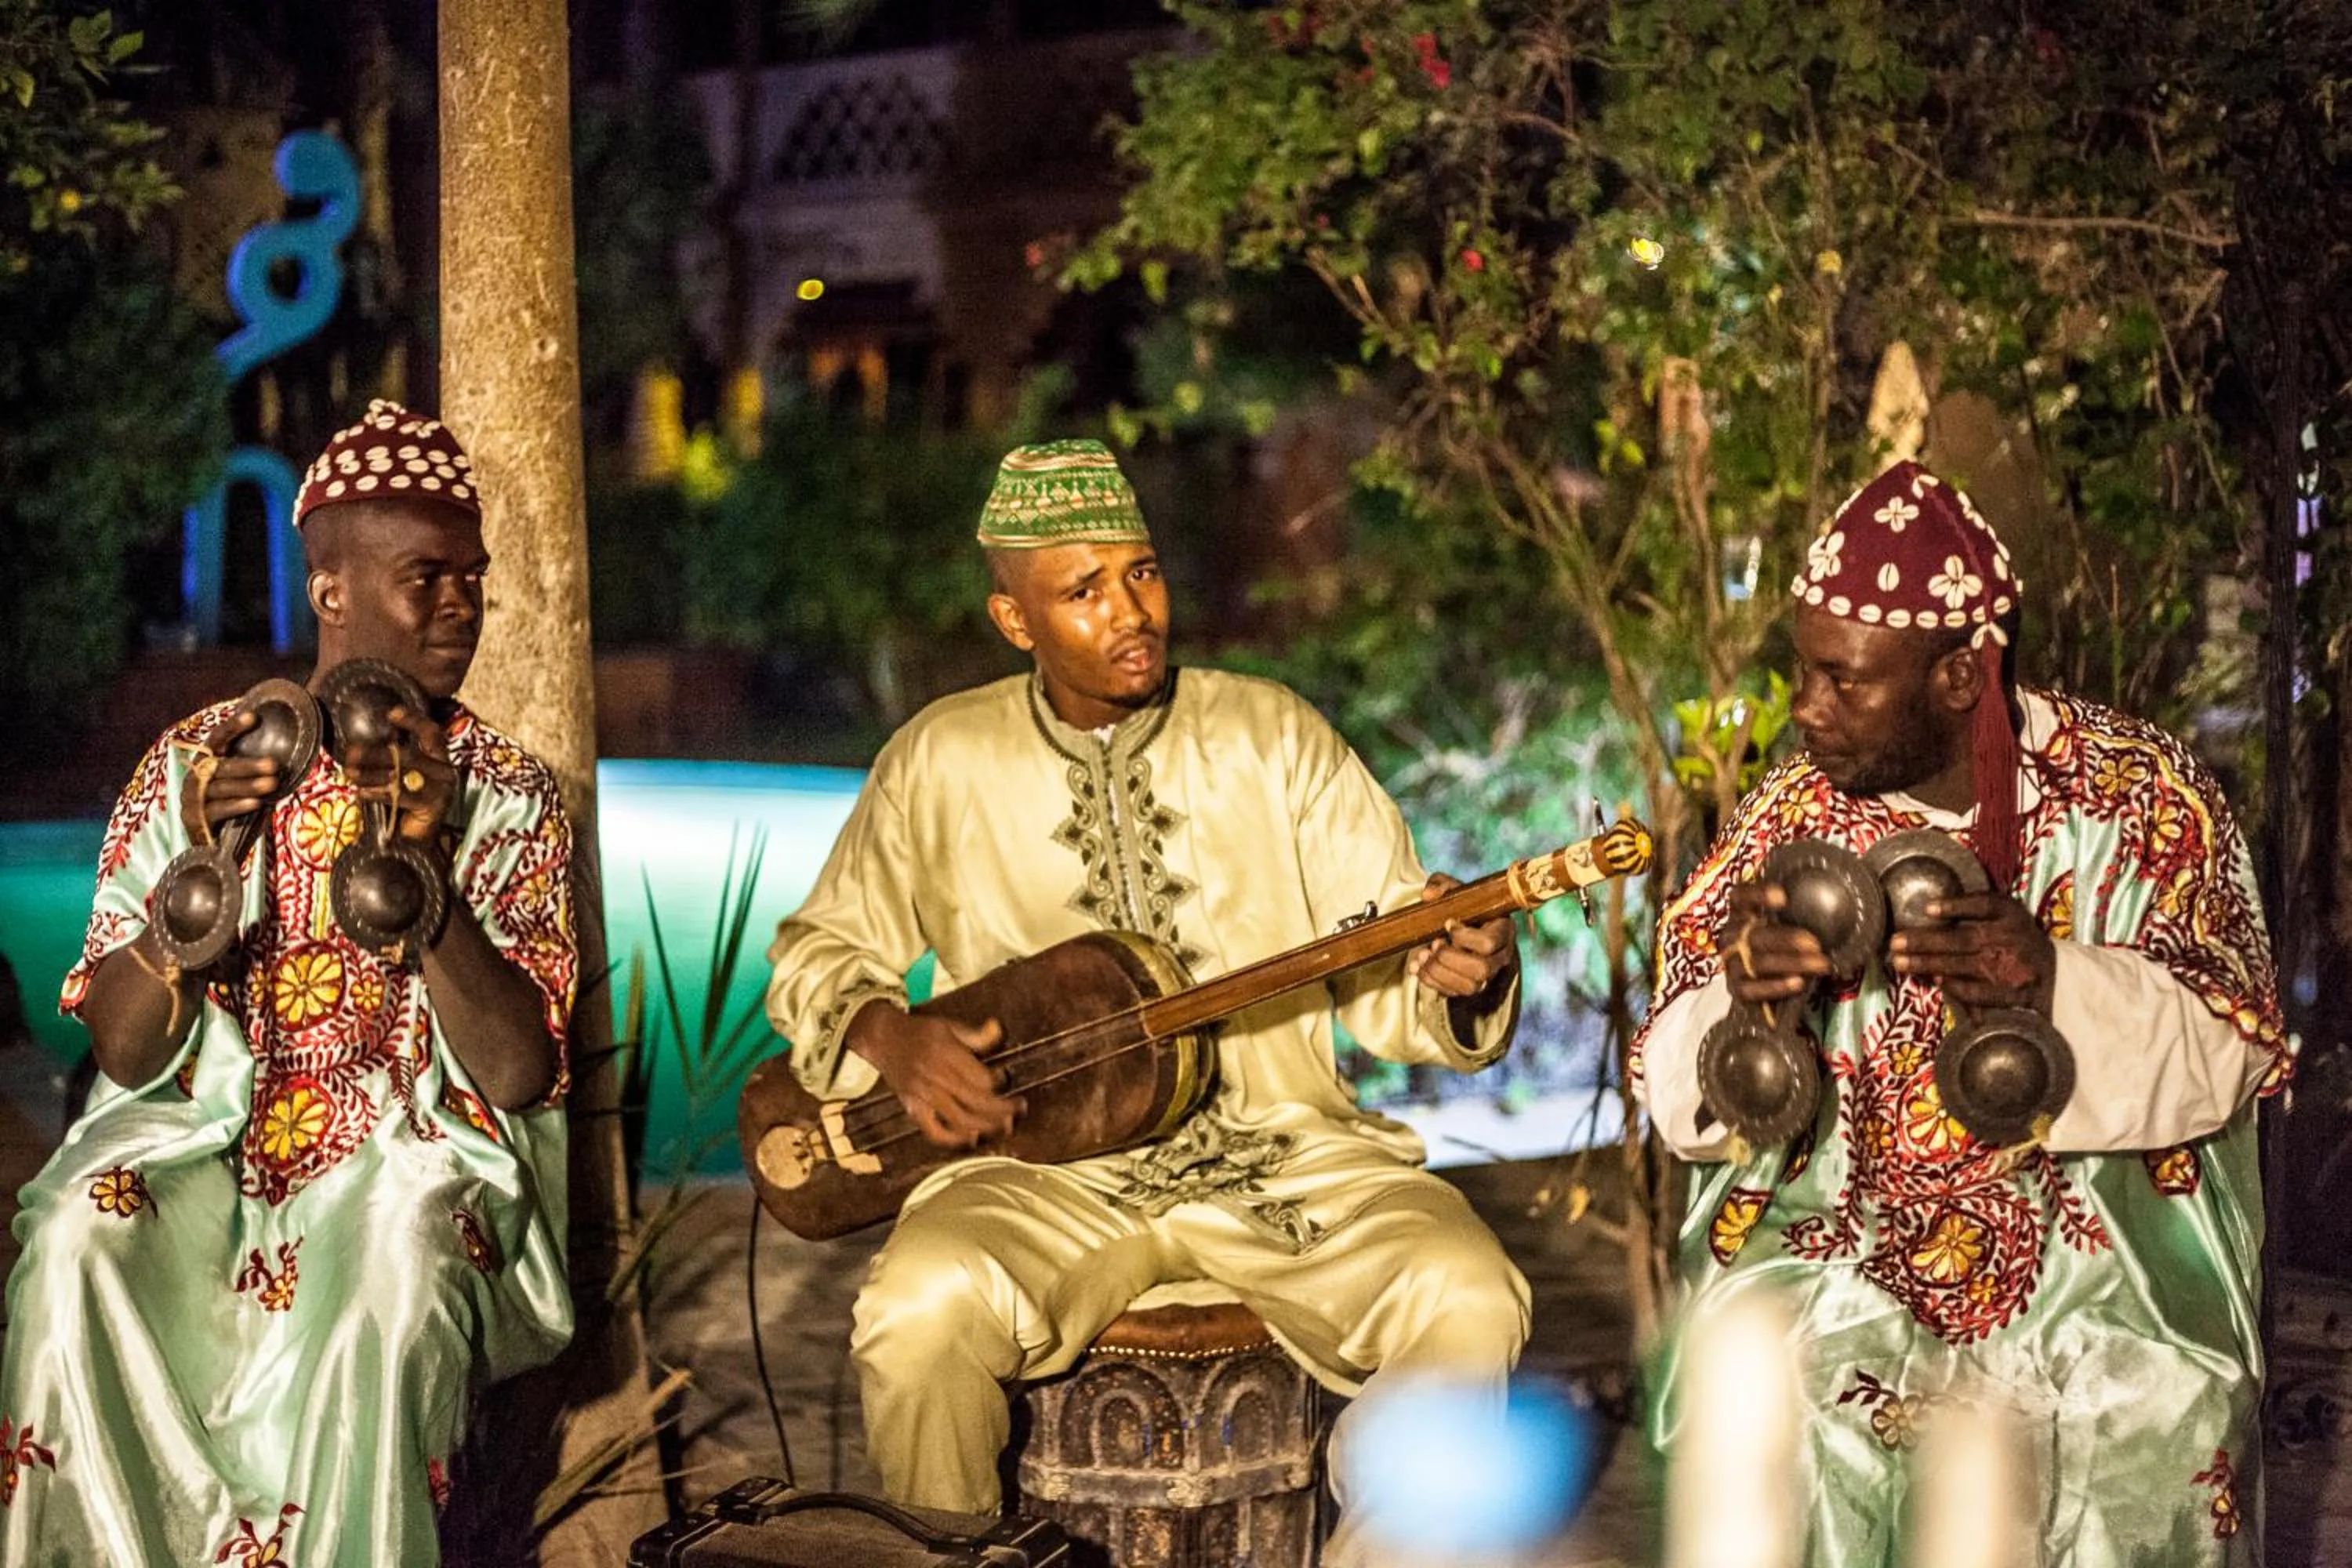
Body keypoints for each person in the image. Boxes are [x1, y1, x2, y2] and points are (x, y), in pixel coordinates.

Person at [764, 439, 1531, 1549]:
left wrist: (1463, 969)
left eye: (1144, 573)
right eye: (1083, 591)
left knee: (1471, 1296)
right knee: (916, 1312)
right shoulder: (942, 759)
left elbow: (1389, 958)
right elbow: (820, 950)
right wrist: (891, 1034)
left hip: (1287, 1158)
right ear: (1014, 619)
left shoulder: (1272, 735)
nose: (1131, 611)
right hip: (1045, 1175)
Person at [1633, 459, 2288, 1565]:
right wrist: (1747, 1008)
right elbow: (1674, 1092)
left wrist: (2058, 984)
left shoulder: (2138, 799)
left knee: (2152, 1410)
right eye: (1805, 674)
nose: (1809, 710)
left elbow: (2236, 1047)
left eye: (1846, 683)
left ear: (1957, 676)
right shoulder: (1790, 817)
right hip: (1838, 1243)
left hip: (2103, 1256)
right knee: (1772, 1385)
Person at [0, 401, 576, 1566]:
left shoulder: (508, 793)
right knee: (71, 1239)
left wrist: (425, 881)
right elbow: (122, 1053)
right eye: (429, 578)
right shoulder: (194, 761)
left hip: (412, 1158)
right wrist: (201, 877)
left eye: (472, 577)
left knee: (393, 1279)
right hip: (206, 1151)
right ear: (332, 592)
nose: (463, 604)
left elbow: (518, 1072)